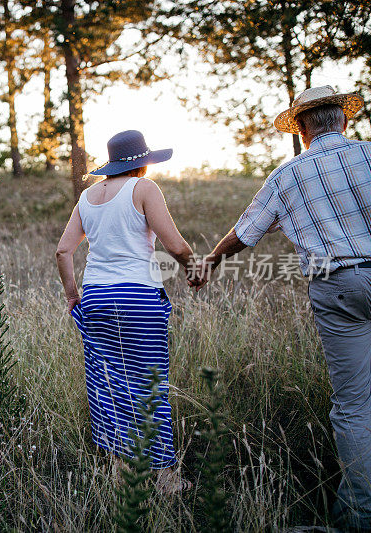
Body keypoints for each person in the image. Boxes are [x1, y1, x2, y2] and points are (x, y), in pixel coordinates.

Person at [195, 85, 371, 531]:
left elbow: (244, 233)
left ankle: (357, 519)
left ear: (302, 130)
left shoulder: (287, 175)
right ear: (344, 121)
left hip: (338, 286)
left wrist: (210, 261)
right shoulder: (369, 154)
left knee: (354, 407)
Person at [55, 129, 197, 493]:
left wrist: (73, 294)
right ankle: (164, 476)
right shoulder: (144, 189)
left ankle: (121, 472)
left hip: (96, 298)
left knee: (109, 385)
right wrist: (194, 269)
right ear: (142, 163)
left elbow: (63, 251)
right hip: (137, 297)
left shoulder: (87, 196)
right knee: (149, 386)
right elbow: (175, 244)